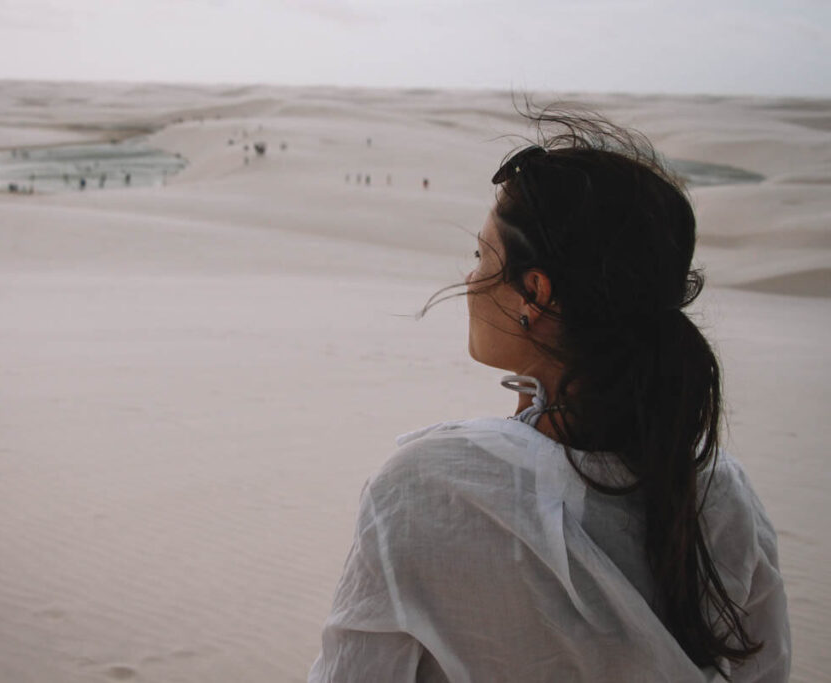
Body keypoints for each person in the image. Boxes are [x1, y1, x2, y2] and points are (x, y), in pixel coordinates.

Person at [309, 110, 790, 682]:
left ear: (533, 294)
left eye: (481, 258)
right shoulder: (723, 494)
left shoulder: (429, 489)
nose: (470, 280)